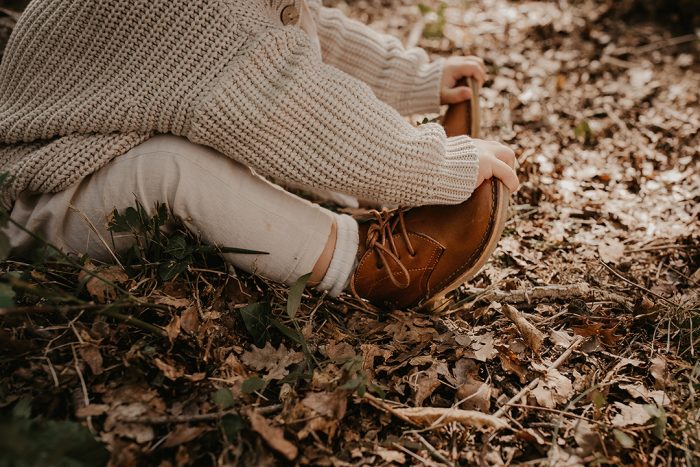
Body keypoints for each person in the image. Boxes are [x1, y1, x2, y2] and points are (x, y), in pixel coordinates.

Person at [0, 0, 519, 309]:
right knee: (172, 169)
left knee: (218, 137)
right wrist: (435, 164)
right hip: (40, 190)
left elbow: (305, 30)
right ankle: (358, 262)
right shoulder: (198, 14)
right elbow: (289, 101)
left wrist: (414, 77)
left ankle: (344, 201)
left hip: (95, 140)